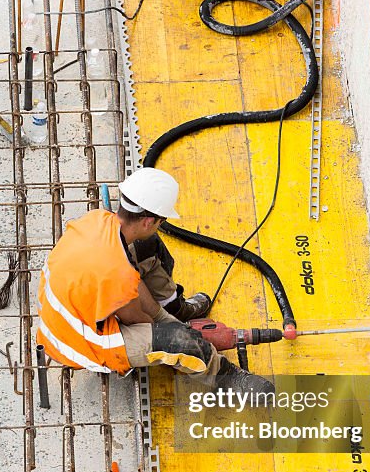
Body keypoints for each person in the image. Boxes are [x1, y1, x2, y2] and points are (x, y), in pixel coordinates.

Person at [36, 167, 272, 392]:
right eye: (161, 221)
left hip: (71, 305)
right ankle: (226, 377)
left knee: (148, 245)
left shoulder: (98, 220)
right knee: (178, 342)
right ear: (148, 221)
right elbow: (136, 317)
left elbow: (127, 279)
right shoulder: (116, 271)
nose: (161, 226)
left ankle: (176, 307)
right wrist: (175, 332)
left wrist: (166, 316)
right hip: (76, 340)